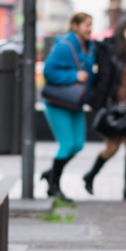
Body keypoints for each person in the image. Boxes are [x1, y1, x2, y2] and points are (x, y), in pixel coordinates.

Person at [83, 18, 126, 200]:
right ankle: (90, 175)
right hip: (115, 107)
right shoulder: (110, 50)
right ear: (124, 30)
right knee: (112, 148)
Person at [40, 12, 96, 202]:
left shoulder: (89, 47)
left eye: (91, 25)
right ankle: (53, 186)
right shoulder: (65, 46)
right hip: (57, 103)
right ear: (75, 26)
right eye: (87, 25)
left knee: (78, 145)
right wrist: (74, 76)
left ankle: (51, 172)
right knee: (67, 144)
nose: (90, 28)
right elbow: (48, 71)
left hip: (75, 102)